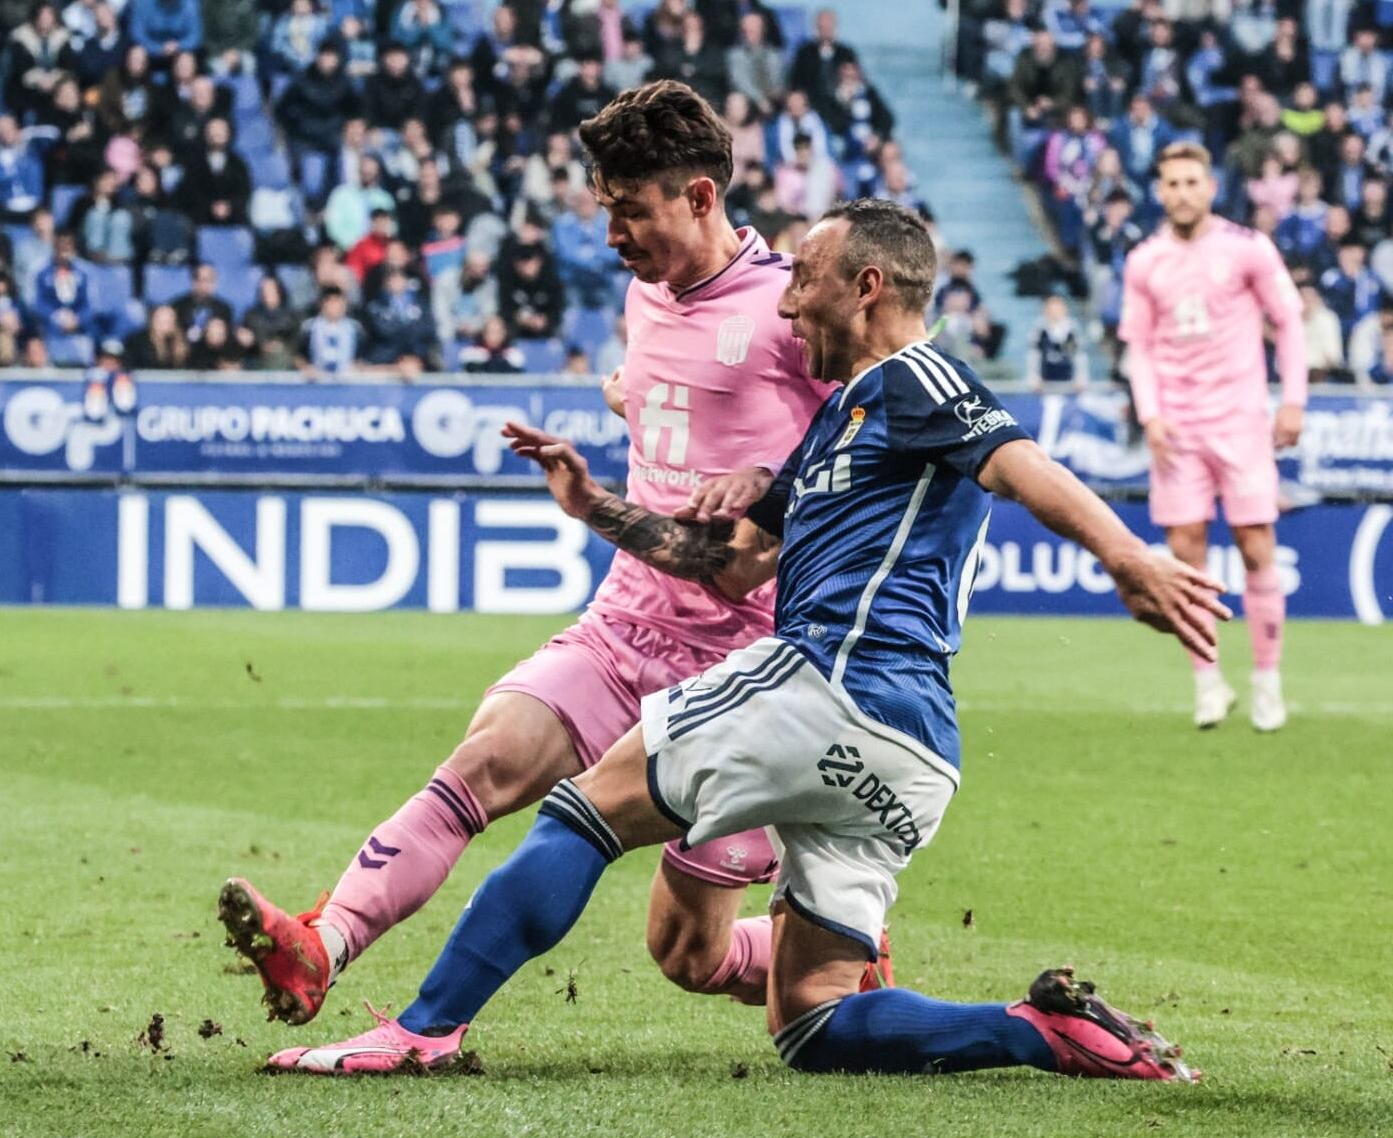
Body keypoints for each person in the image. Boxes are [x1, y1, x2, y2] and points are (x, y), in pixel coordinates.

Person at [256, 198, 1224, 1080]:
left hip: (829, 680)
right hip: (913, 752)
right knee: (809, 1022)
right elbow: (724, 561)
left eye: (804, 279)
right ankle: (1039, 1032)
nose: (788, 304)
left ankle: (422, 1030)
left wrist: (1128, 559)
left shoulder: (915, 377)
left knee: (581, 813)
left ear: (868, 286)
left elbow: (1017, 465)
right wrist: (594, 501)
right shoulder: (841, 425)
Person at [219, 81, 843, 1045]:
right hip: (623, 626)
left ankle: (834, 955)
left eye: (632, 212)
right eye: (606, 210)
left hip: (744, 670)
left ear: (702, 197)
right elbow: (676, 396)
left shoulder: (794, 308)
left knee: (690, 956)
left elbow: (854, 438)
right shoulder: (648, 295)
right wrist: (635, 400)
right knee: (481, 766)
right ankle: (322, 945)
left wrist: (772, 473)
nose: (612, 236)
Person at [1119, 142, 1306, 732]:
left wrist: (1294, 399)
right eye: (1171, 183)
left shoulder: (1247, 248)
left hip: (1242, 422)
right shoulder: (1145, 261)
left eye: (1191, 181)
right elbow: (1139, 347)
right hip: (1178, 429)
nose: (1181, 192)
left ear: (1211, 186)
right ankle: (1207, 681)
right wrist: (1149, 415)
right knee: (1187, 557)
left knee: (1256, 548)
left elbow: (1289, 320)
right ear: (1160, 191)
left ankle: (1268, 681)